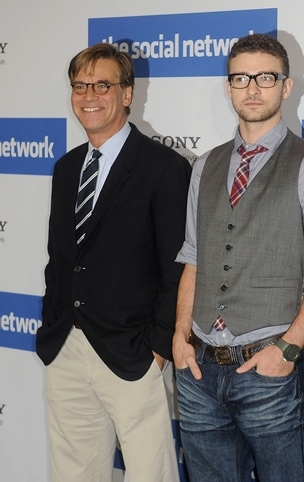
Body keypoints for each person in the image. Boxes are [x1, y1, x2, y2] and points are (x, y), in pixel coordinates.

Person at [172, 33, 304, 482]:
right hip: (198, 371)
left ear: (285, 87)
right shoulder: (204, 166)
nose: (252, 88)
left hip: (267, 371)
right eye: (240, 78)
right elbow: (194, 259)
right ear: (229, 86)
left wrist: (287, 349)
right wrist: (179, 337)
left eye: (265, 77)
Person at [38, 43, 191, 482]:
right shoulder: (67, 169)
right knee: (73, 473)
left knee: (150, 474)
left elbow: (177, 265)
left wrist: (158, 349)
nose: (90, 95)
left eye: (102, 85)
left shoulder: (163, 168)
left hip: (133, 354)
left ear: (127, 93)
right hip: (67, 347)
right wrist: (54, 325)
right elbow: (60, 260)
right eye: (81, 86)